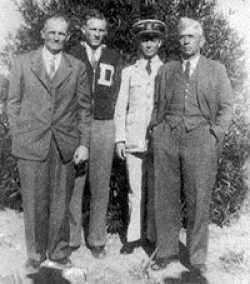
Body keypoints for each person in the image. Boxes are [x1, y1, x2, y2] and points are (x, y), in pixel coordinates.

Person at [7, 14, 91, 270]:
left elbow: (84, 109)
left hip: (64, 144)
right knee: (33, 201)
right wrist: (20, 135)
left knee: (60, 202)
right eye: (52, 32)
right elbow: (12, 103)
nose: (56, 37)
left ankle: (58, 252)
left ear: (67, 37)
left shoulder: (76, 67)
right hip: (31, 142)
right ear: (43, 33)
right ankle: (35, 254)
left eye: (61, 34)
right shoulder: (22, 62)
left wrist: (83, 144)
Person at [150, 17, 233, 275]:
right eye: (183, 37)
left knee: (198, 199)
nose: (186, 41)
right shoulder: (167, 70)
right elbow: (157, 105)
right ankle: (166, 251)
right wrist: (156, 130)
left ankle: (196, 258)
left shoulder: (215, 70)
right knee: (165, 196)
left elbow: (227, 107)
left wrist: (215, 135)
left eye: (191, 37)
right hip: (168, 137)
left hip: (200, 138)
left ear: (202, 41)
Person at [68, 9, 122, 258]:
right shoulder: (72, 54)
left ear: (106, 32)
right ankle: (70, 239)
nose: (97, 34)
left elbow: (118, 92)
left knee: (100, 184)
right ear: (83, 30)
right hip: (78, 123)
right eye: (93, 29)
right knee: (75, 183)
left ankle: (97, 240)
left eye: (101, 29)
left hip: (103, 124)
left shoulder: (113, 55)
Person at [114, 19, 165, 254]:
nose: (148, 44)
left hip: (158, 140)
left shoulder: (166, 71)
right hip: (134, 139)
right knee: (135, 190)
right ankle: (133, 237)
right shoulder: (128, 72)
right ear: (138, 42)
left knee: (155, 190)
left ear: (160, 42)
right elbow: (120, 106)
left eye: (153, 39)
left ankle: (152, 236)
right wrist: (120, 138)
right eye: (144, 39)